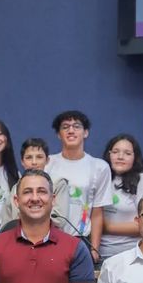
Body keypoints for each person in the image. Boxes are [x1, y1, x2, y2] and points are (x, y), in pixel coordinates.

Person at [44, 110, 111, 259]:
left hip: (81, 239)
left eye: (76, 126)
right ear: (58, 134)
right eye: (65, 127)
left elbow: (97, 212)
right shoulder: (47, 163)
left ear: (85, 132)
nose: (71, 130)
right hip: (49, 237)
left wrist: (94, 248)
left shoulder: (99, 167)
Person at [99, 134, 143, 260]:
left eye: (127, 153)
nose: (120, 156)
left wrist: (106, 226)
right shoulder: (100, 178)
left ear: (135, 157)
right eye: (115, 152)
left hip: (132, 255)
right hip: (100, 254)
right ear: (109, 155)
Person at [0, 138, 71, 228]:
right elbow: (7, 223)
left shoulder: (58, 184)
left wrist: (29, 218)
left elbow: (60, 220)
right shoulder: (16, 188)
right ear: (22, 161)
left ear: (47, 160)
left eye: (39, 157)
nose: (34, 162)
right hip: (19, 238)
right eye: (29, 157)